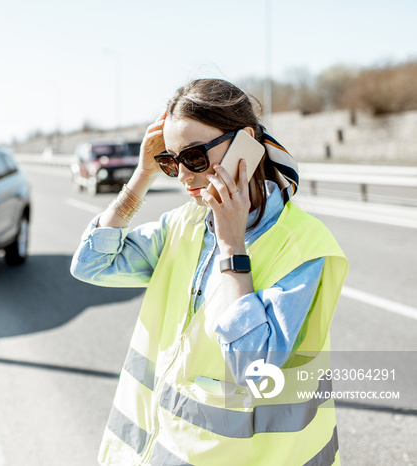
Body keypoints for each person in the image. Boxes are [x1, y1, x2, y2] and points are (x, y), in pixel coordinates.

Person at [70, 78, 349, 466]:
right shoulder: (184, 225)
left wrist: (232, 246)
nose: (183, 175)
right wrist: (141, 177)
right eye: (170, 160)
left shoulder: (303, 246)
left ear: (246, 142)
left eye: (195, 156)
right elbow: (91, 264)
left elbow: (254, 369)